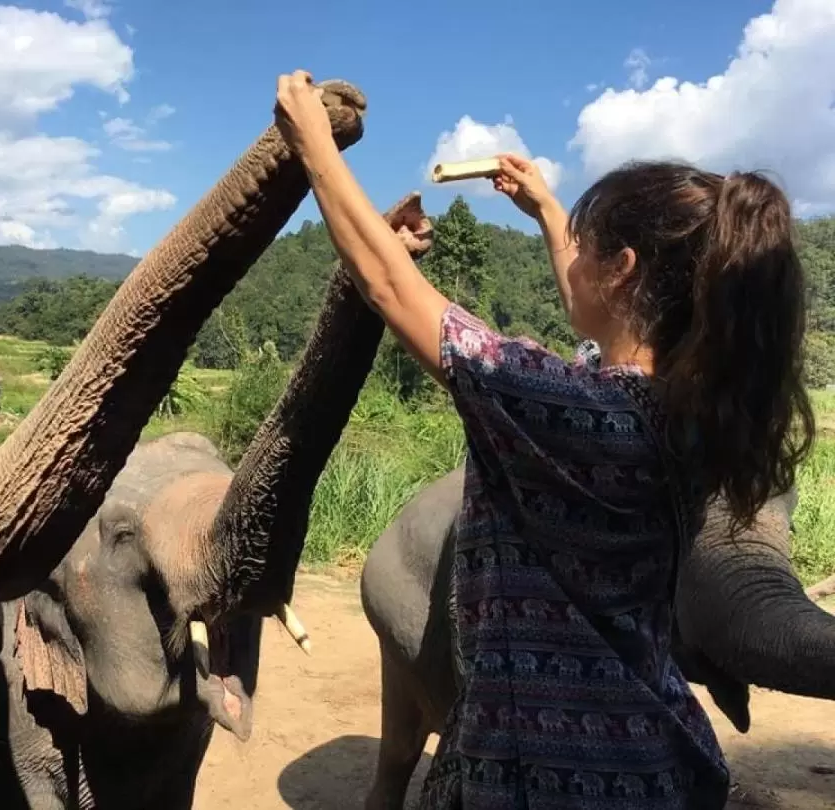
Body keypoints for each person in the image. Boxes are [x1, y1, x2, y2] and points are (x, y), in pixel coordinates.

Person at [274, 70, 815, 809]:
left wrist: (313, 148)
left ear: (621, 270)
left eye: (586, 247)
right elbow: (604, 320)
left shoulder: (556, 403)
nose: (576, 257)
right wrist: (549, 210)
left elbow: (392, 288)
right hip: (659, 762)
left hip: (537, 775)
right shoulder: (690, 412)